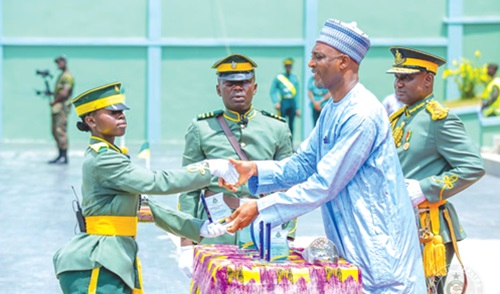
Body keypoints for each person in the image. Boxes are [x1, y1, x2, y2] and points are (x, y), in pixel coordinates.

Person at [223, 19, 426, 293]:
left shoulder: (362, 114)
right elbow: (304, 163)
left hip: (381, 255)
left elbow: (324, 184)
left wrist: (260, 208)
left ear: (343, 62)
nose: (310, 64)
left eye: (318, 57)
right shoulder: (333, 108)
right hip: (353, 246)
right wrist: (254, 170)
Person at [53, 82, 238, 293]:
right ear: (90, 120)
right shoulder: (104, 159)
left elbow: (143, 206)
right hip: (101, 259)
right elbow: (156, 182)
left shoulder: (110, 154)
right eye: (112, 113)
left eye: (122, 112)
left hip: (116, 254)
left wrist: (196, 227)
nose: (121, 116)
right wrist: (207, 168)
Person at [176, 53, 297, 277]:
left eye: (243, 82)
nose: (237, 88)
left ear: (255, 87)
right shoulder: (202, 128)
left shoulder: (277, 128)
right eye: (229, 83)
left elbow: (288, 184)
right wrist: (185, 242)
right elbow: (188, 186)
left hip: (263, 224)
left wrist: (287, 235)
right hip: (215, 225)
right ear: (218, 89)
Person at [386, 46, 485, 293]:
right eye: (397, 77)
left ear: (428, 79)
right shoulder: (400, 117)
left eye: (407, 77)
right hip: (398, 222)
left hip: (427, 227)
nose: (398, 84)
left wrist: (425, 188)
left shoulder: (438, 120)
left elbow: (472, 166)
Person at [48, 55, 75, 164]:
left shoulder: (67, 76)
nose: (58, 65)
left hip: (62, 108)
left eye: (59, 62)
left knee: (60, 131)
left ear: (64, 62)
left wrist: (54, 101)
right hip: (57, 108)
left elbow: (64, 92)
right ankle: (60, 155)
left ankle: (64, 156)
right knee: (55, 131)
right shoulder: (62, 76)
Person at [269, 57, 300, 139]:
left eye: (289, 66)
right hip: (284, 101)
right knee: (282, 123)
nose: (288, 68)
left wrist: (297, 108)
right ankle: (282, 141)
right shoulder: (279, 77)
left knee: (291, 125)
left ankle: (290, 143)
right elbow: (272, 91)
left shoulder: (294, 78)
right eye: (287, 66)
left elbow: (297, 94)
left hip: (292, 101)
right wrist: (276, 102)